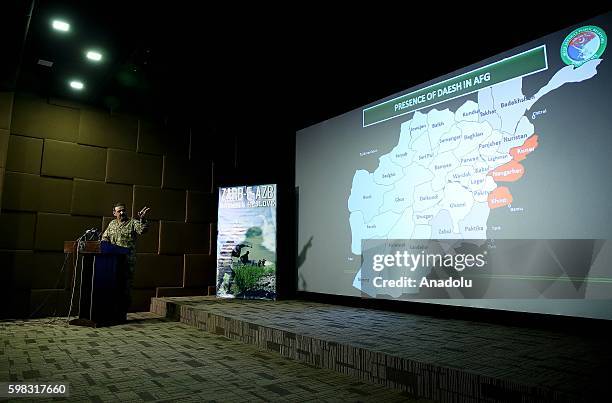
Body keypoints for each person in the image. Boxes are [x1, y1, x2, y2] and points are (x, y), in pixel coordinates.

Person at [101, 202, 150, 318]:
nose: (122, 213)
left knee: (125, 288)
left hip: (127, 263)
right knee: (113, 287)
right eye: (119, 211)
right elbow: (104, 238)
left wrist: (142, 218)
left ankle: (122, 314)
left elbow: (142, 230)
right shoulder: (112, 224)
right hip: (113, 263)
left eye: (123, 210)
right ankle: (112, 313)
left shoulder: (132, 222)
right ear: (114, 213)